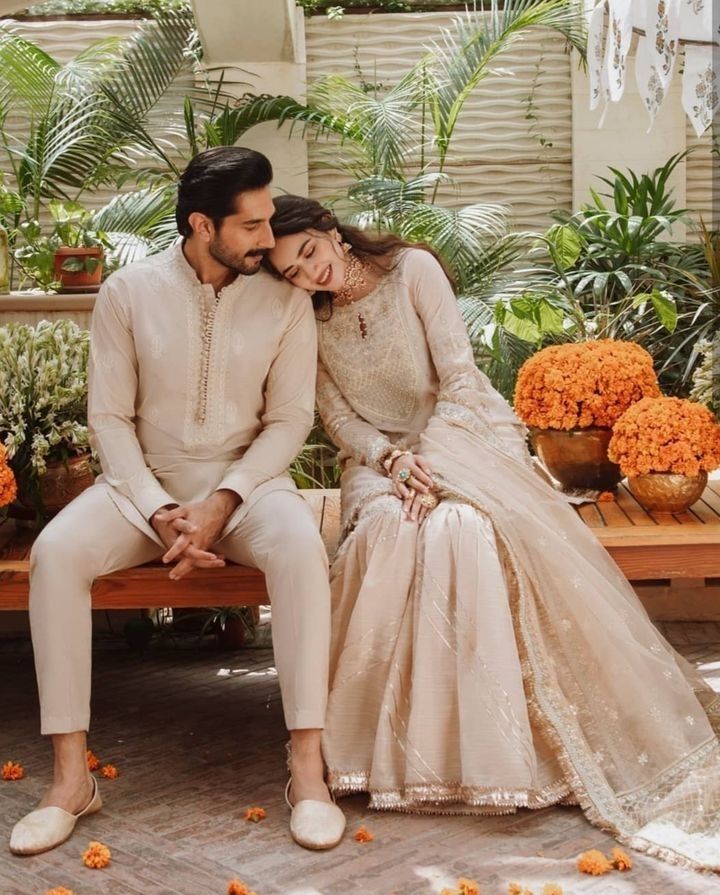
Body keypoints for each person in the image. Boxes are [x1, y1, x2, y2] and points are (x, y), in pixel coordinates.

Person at [264, 195, 720, 870]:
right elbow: (336, 420)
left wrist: (436, 464)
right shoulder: (307, 318)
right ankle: (382, 755)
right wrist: (394, 462)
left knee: (460, 531)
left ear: (331, 231)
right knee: (387, 533)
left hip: (467, 432)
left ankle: (491, 753)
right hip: (380, 461)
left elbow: (456, 379)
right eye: (292, 273)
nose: (309, 276)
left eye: (309, 254)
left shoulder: (412, 270)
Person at [9, 149, 346, 856]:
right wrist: (162, 508)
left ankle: (306, 771)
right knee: (56, 554)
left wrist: (225, 499)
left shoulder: (285, 300)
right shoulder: (128, 293)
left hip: (247, 486)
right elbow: (110, 420)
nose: (268, 235)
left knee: (300, 550)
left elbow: (289, 419)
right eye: (251, 224)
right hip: (141, 487)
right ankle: (72, 780)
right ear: (202, 224)